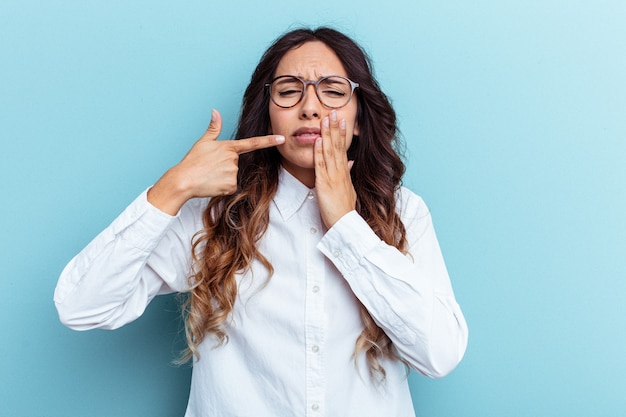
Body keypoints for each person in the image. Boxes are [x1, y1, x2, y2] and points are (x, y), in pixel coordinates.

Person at [54, 27, 468, 417]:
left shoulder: (404, 212)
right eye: (289, 91)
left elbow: (439, 354)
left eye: (332, 91)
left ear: (360, 118)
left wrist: (345, 225)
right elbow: (80, 307)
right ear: (267, 114)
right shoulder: (216, 214)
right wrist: (173, 187)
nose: (309, 107)